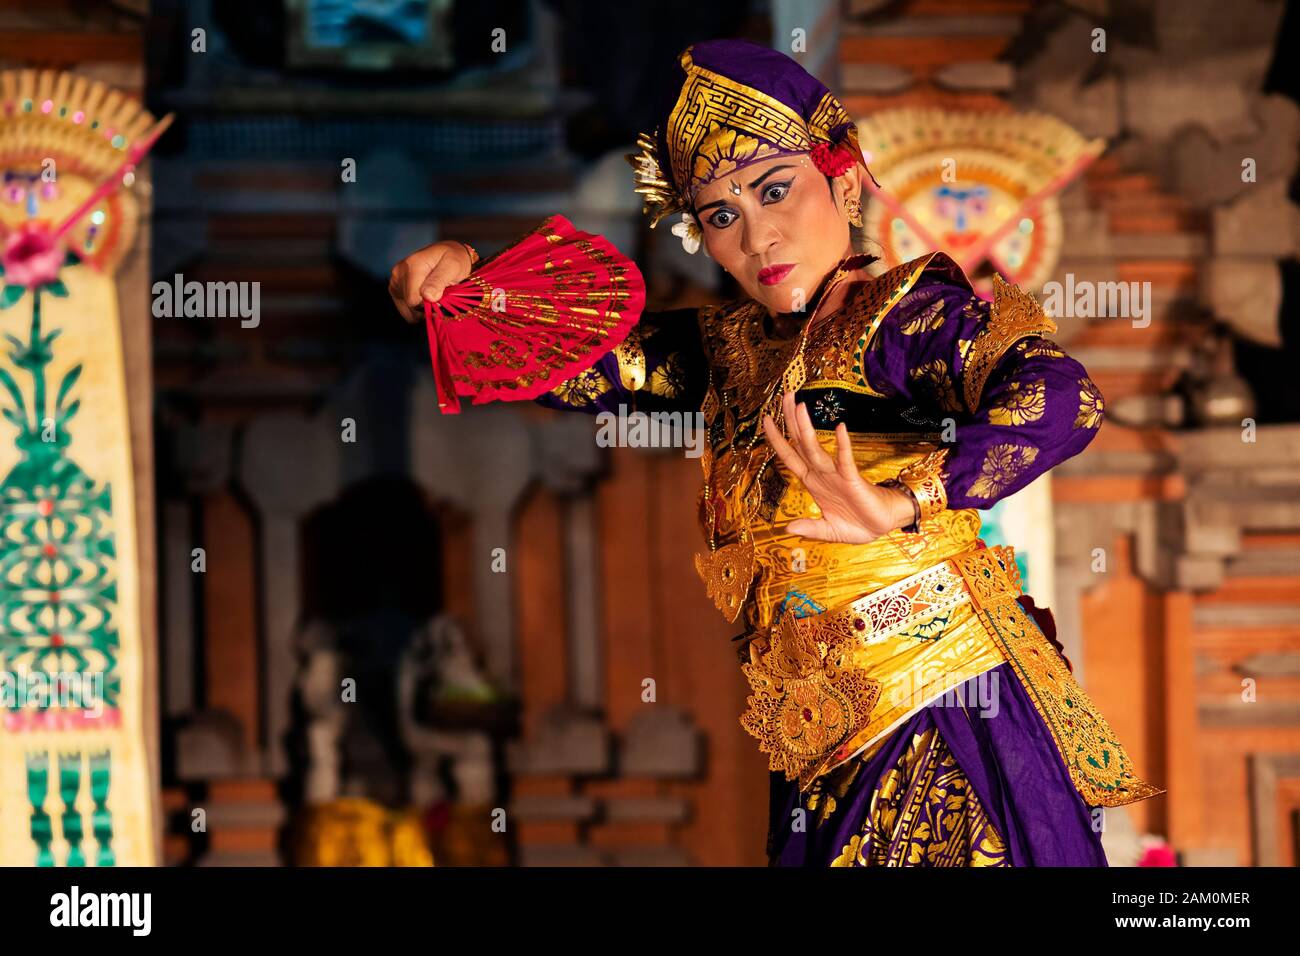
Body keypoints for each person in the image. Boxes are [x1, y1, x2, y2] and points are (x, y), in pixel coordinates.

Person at [388, 39, 1161, 867]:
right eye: (722, 216)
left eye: (775, 190)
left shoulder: (901, 321)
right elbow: (581, 364)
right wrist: (466, 282)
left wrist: (912, 500)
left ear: (845, 180)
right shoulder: (729, 351)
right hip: (823, 741)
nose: (758, 236)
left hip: (942, 714)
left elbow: (1062, 397)